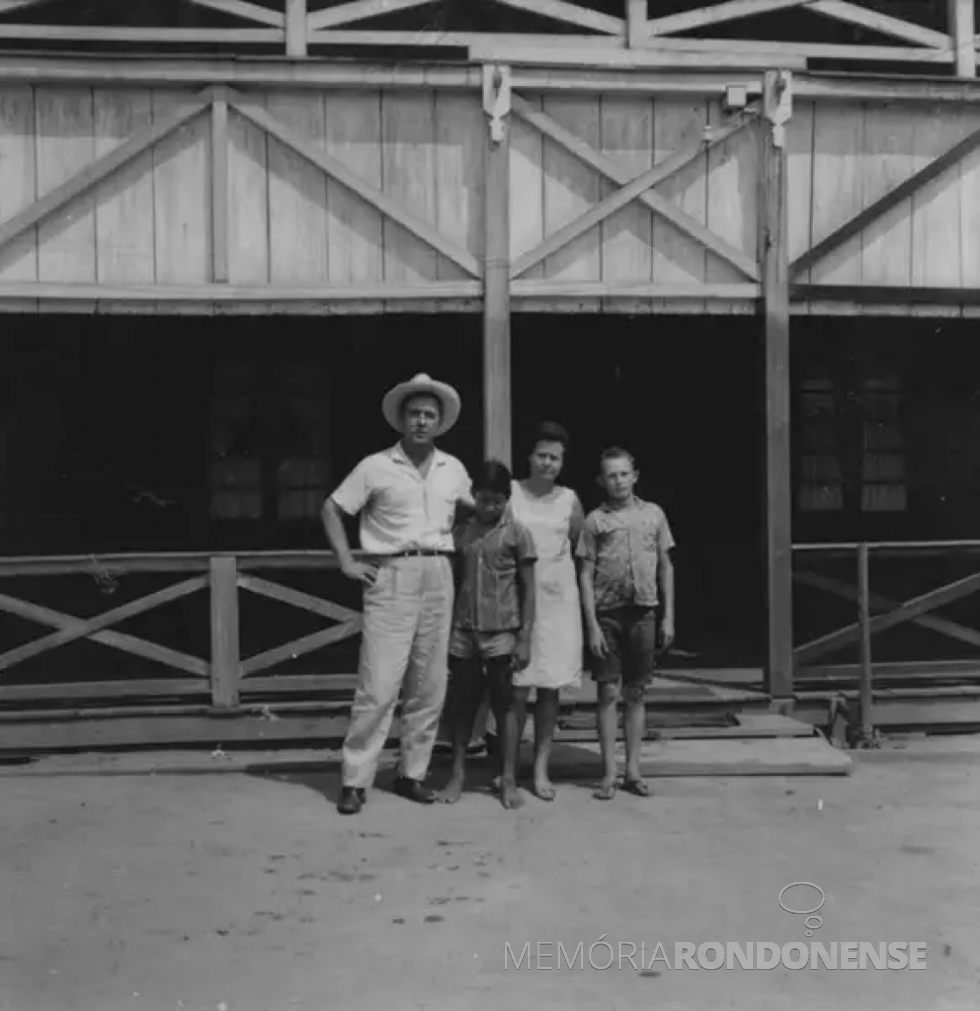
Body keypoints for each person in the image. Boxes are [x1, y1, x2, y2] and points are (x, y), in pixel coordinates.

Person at [321, 374, 472, 816]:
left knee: (430, 682)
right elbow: (332, 508)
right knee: (380, 683)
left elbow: (472, 512)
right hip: (391, 573)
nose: (422, 421)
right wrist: (346, 561)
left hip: (439, 571)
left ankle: (413, 773)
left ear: (440, 421)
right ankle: (355, 779)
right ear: (402, 420)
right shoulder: (376, 465)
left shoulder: (453, 468)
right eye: (415, 414)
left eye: (429, 414)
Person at [437, 460, 537, 810]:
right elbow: (449, 582)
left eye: (497, 501)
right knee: (462, 706)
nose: (489, 507)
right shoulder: (462, 534)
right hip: (464, 632)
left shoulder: (517, 534)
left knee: (505, 705)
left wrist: (525, 636)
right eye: (483, 499)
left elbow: (529, 589)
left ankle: (508, 778)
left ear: (507, 499)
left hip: (502, 634)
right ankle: (458, 774)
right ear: (474, 497)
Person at [577, 447, 676, 801]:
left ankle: (634, 769)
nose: (618, 481)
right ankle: (609, 772)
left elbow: (666, 566)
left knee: (636, 692)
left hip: (644, 612)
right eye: (611, 475)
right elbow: (585, 575)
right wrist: (590, 625)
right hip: (607, 616)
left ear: (635, 475)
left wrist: (668, 615)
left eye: (623, 474)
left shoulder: (654, 515)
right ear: (602, 481)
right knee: (607, 692)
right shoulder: (595, 521)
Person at [508, 421, 584, 801]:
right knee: (517, 689)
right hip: (518, 601)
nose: (548, 464)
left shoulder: (570, 500)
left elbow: (579, 548)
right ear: (529, 457)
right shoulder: (511, 494)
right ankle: (509, 768)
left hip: (558, 604)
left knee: (550, 690)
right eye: (542, 456)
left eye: (555, 458)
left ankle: (540, 768)